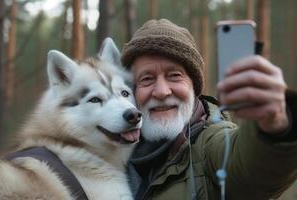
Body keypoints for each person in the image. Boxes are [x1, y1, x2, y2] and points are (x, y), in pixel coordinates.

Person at [121, 19, 297, 200]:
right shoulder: (111, 149)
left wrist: (277, 126)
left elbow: (252, 171)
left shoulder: (211, 142)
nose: (161, 91)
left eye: (174, 76)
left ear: (194, 88)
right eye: (147, 79)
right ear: (132, 91)